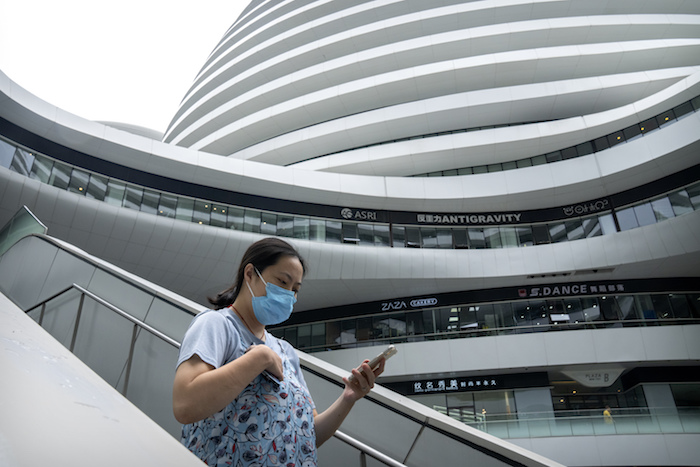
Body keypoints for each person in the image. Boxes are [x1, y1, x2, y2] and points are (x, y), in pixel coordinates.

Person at [173, 237, 385, 466]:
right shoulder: (217, 325)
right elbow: (185, 405)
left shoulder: (286, 351)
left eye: (295, 289)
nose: (289, 295)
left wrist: (348, 398)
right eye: (283, 282)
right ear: (250, 274)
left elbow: (307, 435)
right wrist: (259, 357)